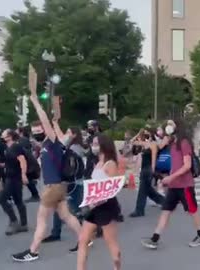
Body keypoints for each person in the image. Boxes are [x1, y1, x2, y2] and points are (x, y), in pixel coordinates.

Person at [12, 69, 81, 262]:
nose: (35, 131)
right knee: (66, 216)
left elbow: (44, 119)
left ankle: (33, 251)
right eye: (34, 129)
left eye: (38, 129)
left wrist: (34, 100)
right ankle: (85, 238)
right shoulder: (50, 143)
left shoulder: (52, 141)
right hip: (57, 186)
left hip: (53, 187)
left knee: (42, 219)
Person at [141, 119, 200, 249]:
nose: (168, 127)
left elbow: (187, 166)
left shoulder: (184, 142)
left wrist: (171, 177)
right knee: (165, 210)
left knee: (192, 210)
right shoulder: (172, 143)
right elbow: (173, 164)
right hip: (174, 185)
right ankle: (155, 238)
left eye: (171, 125)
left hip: (185, 185)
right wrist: (167, 177)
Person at [42, 120, 88, 252]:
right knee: (60, 208)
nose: (66, 134)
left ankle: (89, 233)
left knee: (77, 210)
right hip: (68, 181)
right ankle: (56, 233)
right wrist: (55, 122)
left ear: (74, 135)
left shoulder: (75, 148)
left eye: (68, 132)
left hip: (75, 182)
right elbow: (60, 137)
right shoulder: (69, 146)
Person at [77, 134, 122, 270]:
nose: (93, 146)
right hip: (93, 206)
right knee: (83, 240)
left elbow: (112, 189)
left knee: (110, 242)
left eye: (96, 143)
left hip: (106, 206)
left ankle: (117, 267)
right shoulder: (97, 163)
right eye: (93, 143)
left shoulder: (111, 164)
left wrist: (94, 202)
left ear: (104, 145)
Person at [0, 129, 29, 235]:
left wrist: (23, 174)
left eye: (3, 134)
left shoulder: (15, 147)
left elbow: (22, 160)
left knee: (2, 199)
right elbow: (10, 163)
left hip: (14, 178)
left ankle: (14, 221)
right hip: (11, 177)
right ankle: (24, 224)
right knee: (18, 200)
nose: (2, 136)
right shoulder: (9, 148)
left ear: (9, 136)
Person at [129, 129, 165, 217]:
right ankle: (165, 202)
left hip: (148, 169)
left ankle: (139, 210)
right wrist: (139, 133)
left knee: (142, 190)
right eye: (144, 134)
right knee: (148, 190)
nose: (145, 135)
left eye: (147, 134)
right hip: (143, 168)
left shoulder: (153, 145)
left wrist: (152, 171)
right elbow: (132, 142)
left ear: (151, 135)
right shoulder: (144, 144)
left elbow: (153, 158)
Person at [18, 126, 41, 203]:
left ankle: (35, 195)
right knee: (28, 179)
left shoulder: (22, 140)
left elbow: (24, 151)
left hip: (27, 161)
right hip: (29, 160)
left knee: (28, 179)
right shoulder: (24, 139)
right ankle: (35, 195)